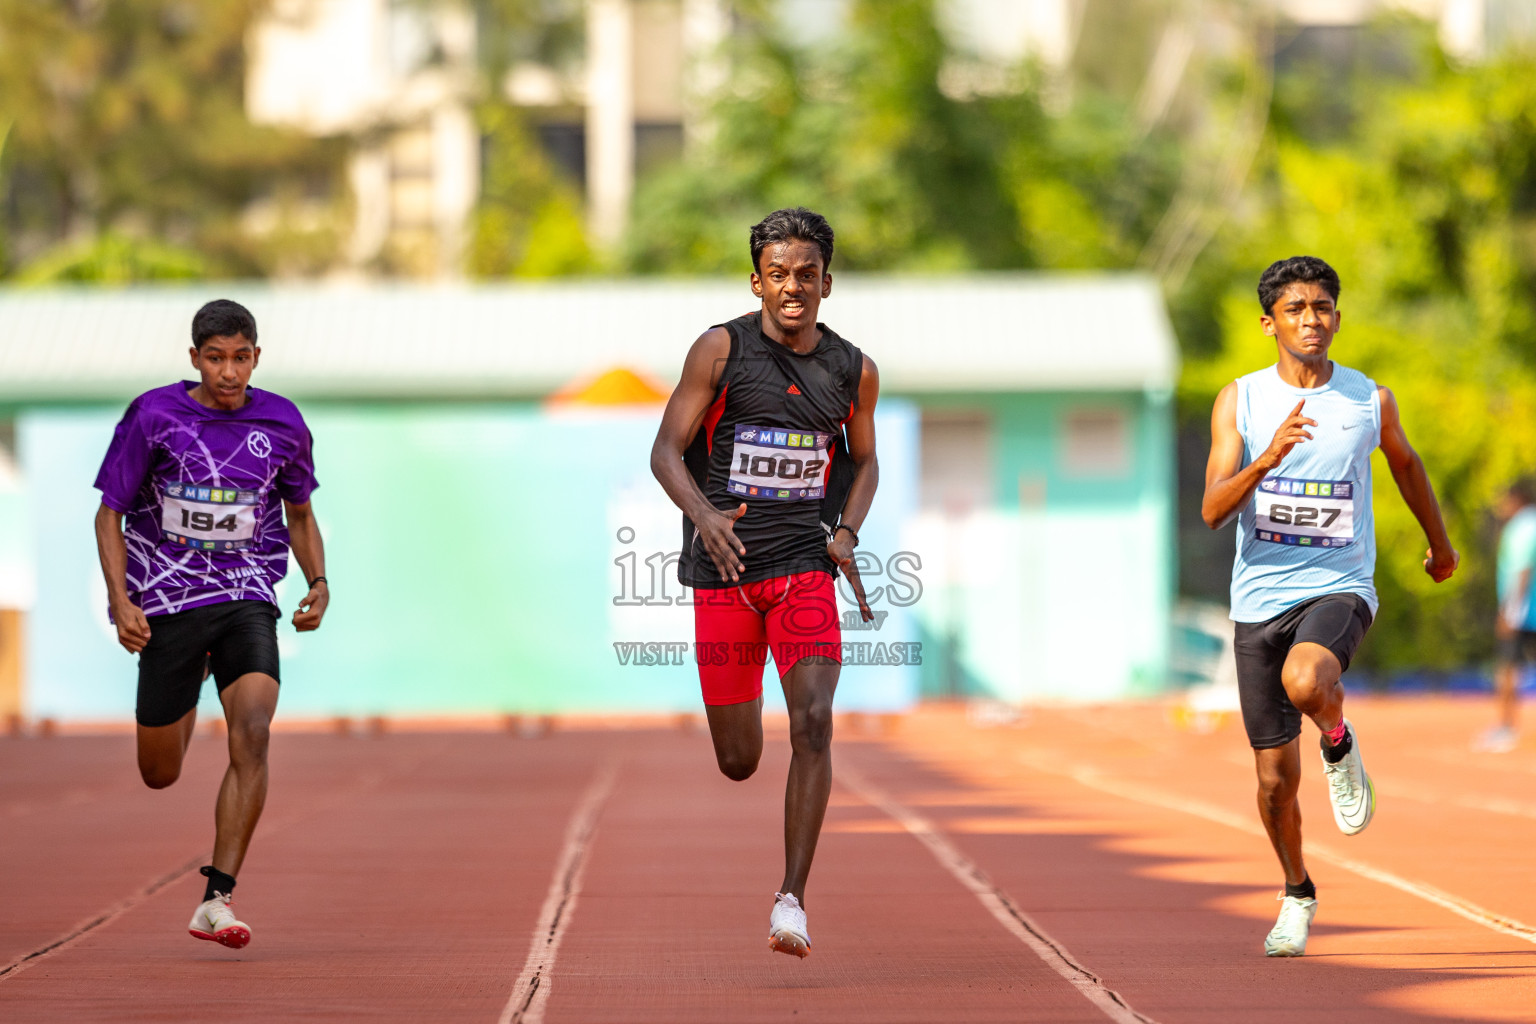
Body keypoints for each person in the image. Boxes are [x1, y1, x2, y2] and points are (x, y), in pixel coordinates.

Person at [1201, 256, 1457, 957]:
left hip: (1339, 584)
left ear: (1337, 318)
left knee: (1307, 681)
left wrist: (1440, 546)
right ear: (1269, 323)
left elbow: (1405, 465)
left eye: (1322, 308)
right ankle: (1297, 891)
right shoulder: (1241, 401)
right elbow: (1213, 510)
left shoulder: (1368, 401)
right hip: (1259, 602)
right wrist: (1265, 460)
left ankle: (1338, 742)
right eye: (1296, 309)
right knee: (1274, 782)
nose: (1311, 320)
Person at [650, 207, 879, 958]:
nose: (792, 287)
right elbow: (665, 452)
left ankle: (792, 901)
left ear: (827, 283)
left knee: (814, 723)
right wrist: (705, 516)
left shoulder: (853, 369)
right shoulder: (719, 350)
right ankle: (778, 866)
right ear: (757, 281)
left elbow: (865, 460)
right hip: (724, 578)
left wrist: (845, 534)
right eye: (778, 274)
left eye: (806, 275)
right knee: (739, 760)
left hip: (802, 571)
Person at [93, 299, 327, 950]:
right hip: (168, 604)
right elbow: (108, 515)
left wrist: (319, 582)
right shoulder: (154, 416)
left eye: (241, 358)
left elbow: (301, 514)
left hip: (248, 594)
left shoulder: (281, 421)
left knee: (253, 728)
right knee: (159, 772)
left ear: (257, 357)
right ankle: (190, 682)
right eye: (216, 358)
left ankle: (216, 897)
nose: (229, 372)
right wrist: (122, 600)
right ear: (194, 358)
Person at [1479, 480, 1536, 752]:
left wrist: (1511, 611)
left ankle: (1505, 729)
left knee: (1506, 668)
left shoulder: (1522, 527)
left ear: (1517, 499)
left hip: (1524, 613)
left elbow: (1523, 570)